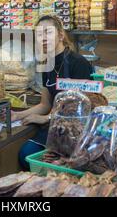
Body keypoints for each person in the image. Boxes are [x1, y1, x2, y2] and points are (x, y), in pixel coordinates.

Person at [12, 14, 93, 170]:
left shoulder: (79, 63)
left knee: (53, 164)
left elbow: (82, 108)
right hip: (54, 128)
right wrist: (19, 115)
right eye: (39, 34)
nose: (43, 38)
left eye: (48, 32)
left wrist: (45, 118)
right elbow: (45, 104)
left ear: (61, 35)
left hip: (75, 131)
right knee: (25, 154)